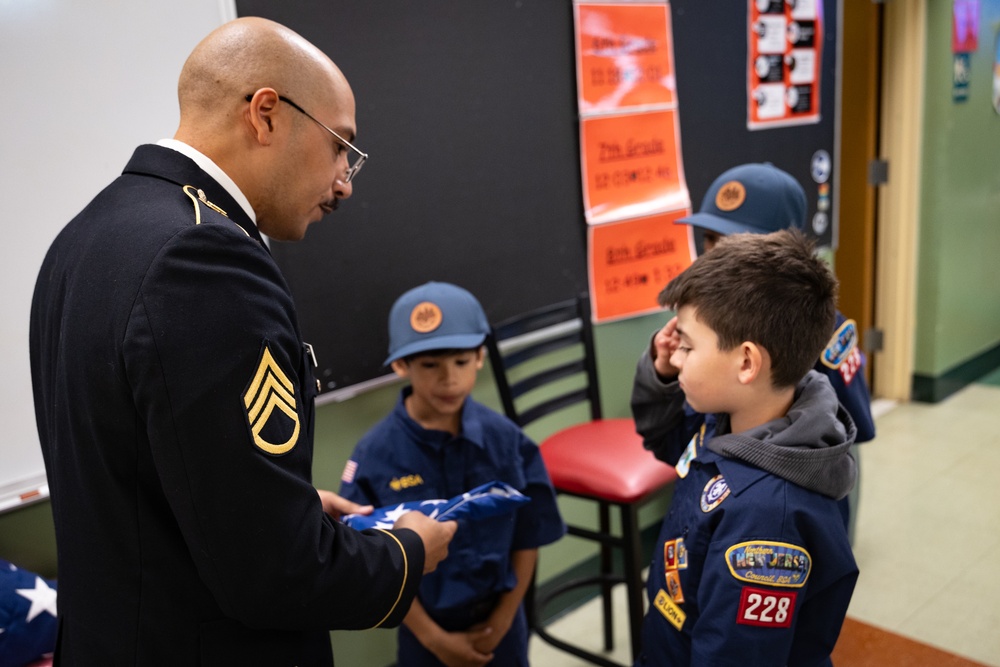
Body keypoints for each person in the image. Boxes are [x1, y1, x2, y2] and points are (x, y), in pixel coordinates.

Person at [29, 17, 455, 666]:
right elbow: (276, 572)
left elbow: (136, 470)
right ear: (265, 115)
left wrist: (271, 497)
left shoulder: (85, 236)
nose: (345, 180)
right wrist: (407, 551)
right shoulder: (202, 259)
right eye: (342, 145)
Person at [630, 230, 859, 665]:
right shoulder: (734, 416)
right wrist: (661, 373)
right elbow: (665, 441)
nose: (676, 357)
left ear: (747, 363)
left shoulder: (769, 520)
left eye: (687, 347)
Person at [339, 281, 566, 667]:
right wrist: (435, 640)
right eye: (430, 366)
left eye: (461, 362)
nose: (449, 379)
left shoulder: (506, 440)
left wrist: (504, 618)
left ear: (480, 357)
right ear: (401, 366)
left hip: (501, 623)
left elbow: (528, 535)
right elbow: (372, 559)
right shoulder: (374, 456)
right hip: (424, 632)